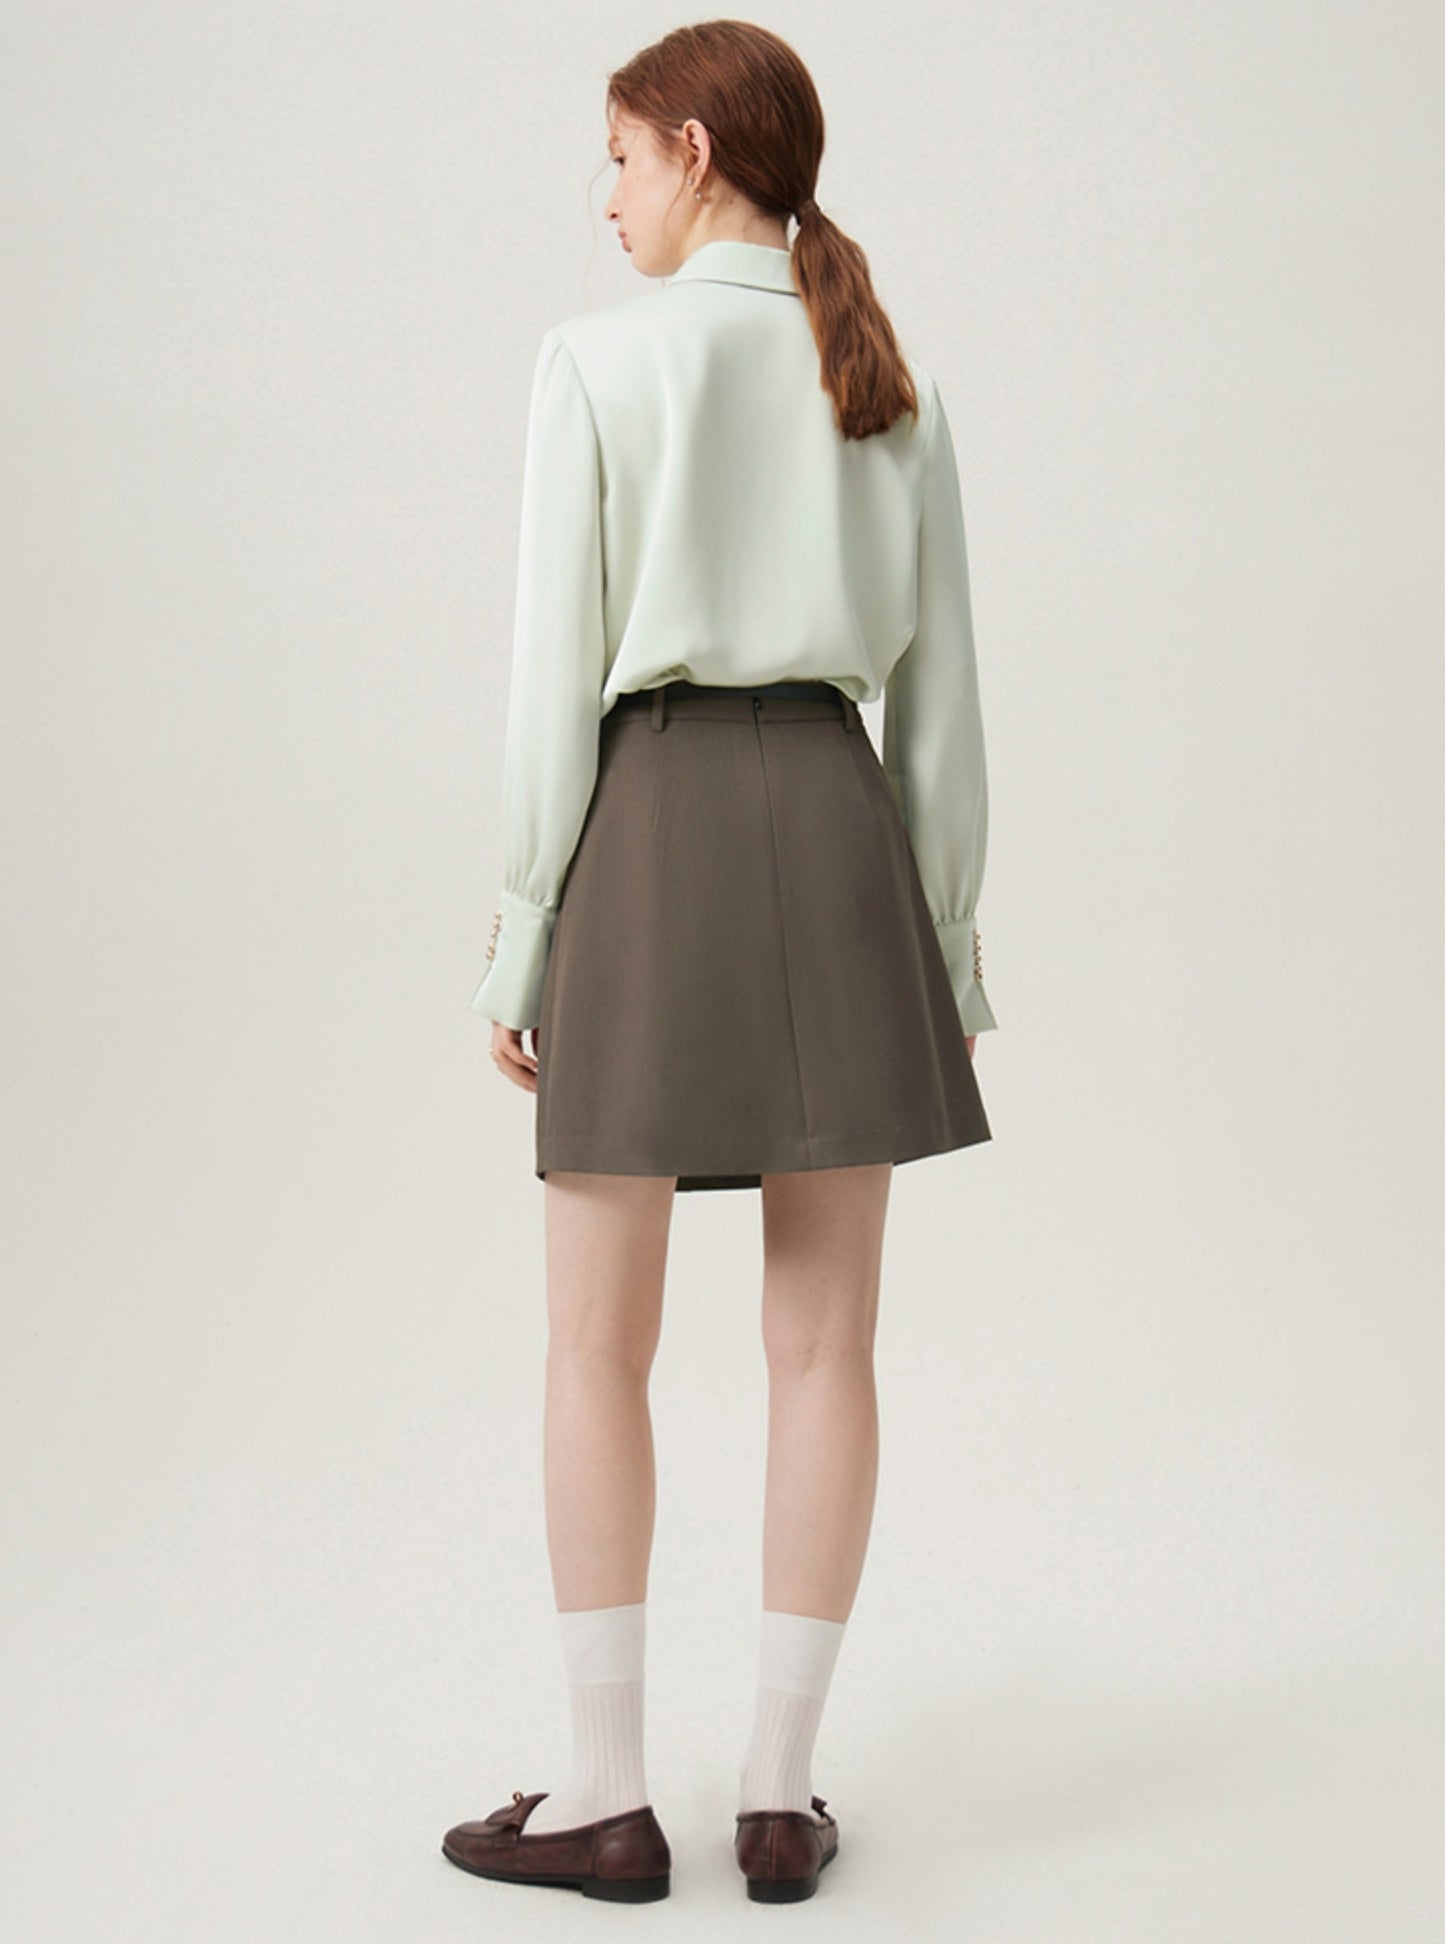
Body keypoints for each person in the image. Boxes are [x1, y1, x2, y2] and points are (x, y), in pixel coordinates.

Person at [444, 18, 999, 1905]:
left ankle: (605, 1797)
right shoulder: (886, 381)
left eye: (615, 157)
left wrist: (524, 929)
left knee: (594, 1341)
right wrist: (946, 956)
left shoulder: (597, 364)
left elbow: (554, 678)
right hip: (841, 842)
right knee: (826, 1343)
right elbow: (940, 711)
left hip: (651, 833)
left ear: (691, 148)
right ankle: (776, 1792)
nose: (603, 199)